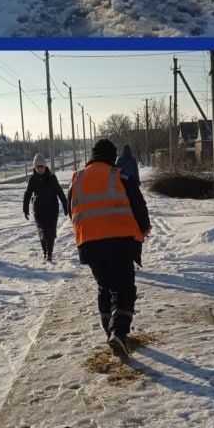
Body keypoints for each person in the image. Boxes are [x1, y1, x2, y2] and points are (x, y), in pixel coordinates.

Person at [69, 138, 151, 359]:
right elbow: (138, 206)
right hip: (120, 242)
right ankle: (119, 333)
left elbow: (72, 211)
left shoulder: (77, 179)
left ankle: (109, 330)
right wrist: (143, 230)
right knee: (124, 288)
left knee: (104, 286)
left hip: (89, 244)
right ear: (112, 156)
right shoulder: (121, 175)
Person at [23, 153, 70, 262]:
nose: (40, 169)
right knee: (42, 232)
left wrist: (66, 206)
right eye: (37, 167)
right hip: (38, 210)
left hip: (52, 210)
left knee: (51, 232)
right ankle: (45, 252)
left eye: (42, 167)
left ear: (45, 166)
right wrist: (25, 209)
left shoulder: (52, 178)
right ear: (35, 167)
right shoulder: (32, 179)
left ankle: (50, 254)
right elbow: (28, 194)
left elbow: (60, 193)